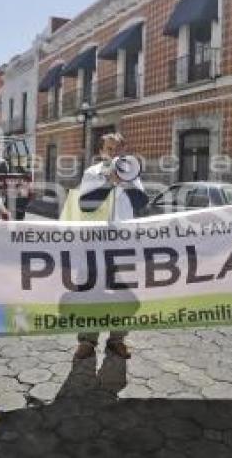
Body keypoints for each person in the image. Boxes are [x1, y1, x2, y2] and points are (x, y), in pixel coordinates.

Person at [73, 133, 148, 360]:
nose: (114, 153)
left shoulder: (131, 173)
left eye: (118, 149)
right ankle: (87, 340)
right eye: (109, 149)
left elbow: (141, 203)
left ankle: (117, 339)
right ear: (102, 151)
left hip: (123, 242)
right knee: (90, 292)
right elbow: (86, 205)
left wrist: (125, 182)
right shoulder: (92, 173)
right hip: (94, 241)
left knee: (123, 293)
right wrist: (109, 183)